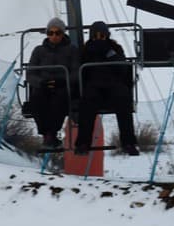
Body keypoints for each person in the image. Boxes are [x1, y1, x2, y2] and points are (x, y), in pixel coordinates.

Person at [76, 20, 138, 156]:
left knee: (123, 101)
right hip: (94, 86)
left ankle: (129, 142)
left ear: (107, 36)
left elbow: (122, 67)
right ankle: (83, 143)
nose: (99, 39)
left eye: (102, 36)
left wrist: (109, 54)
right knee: (87, 105)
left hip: (113, 85)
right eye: (95, 36)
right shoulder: (85, 51)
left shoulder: (115, 49)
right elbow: (81, 71)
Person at [26, 17, 79, 150]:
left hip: (63, 86)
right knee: (37, 99)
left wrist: (64, 81)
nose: (54, 36)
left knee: (59, 99)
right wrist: (40, 82)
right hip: (44, 85)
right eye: (50, 33)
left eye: (57, 33)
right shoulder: (39, 51)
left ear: (63, 33)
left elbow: (76, 72)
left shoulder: (71, 50)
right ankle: (47, 134)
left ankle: (51, 133)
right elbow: (30, 73)